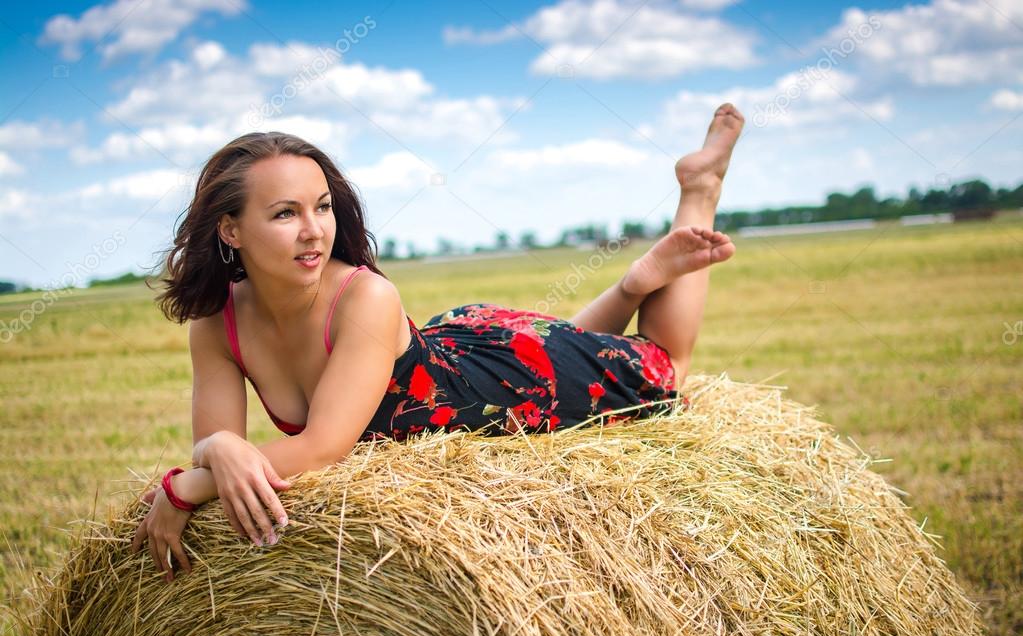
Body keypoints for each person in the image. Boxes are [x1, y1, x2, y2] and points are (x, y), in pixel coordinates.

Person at [131, 103, 744, 582]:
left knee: (667, 367)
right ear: (230, 228)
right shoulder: (216, 322)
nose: (314, 230)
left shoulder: (364, 297)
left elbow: (320, 449)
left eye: (322, 206)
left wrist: (184, 486)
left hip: (491, 388)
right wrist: (214, 448)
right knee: (580, 348)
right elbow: (216, 449)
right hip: (455, 350)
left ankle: (697, 194)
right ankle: (630, 287)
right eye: (285, 214)